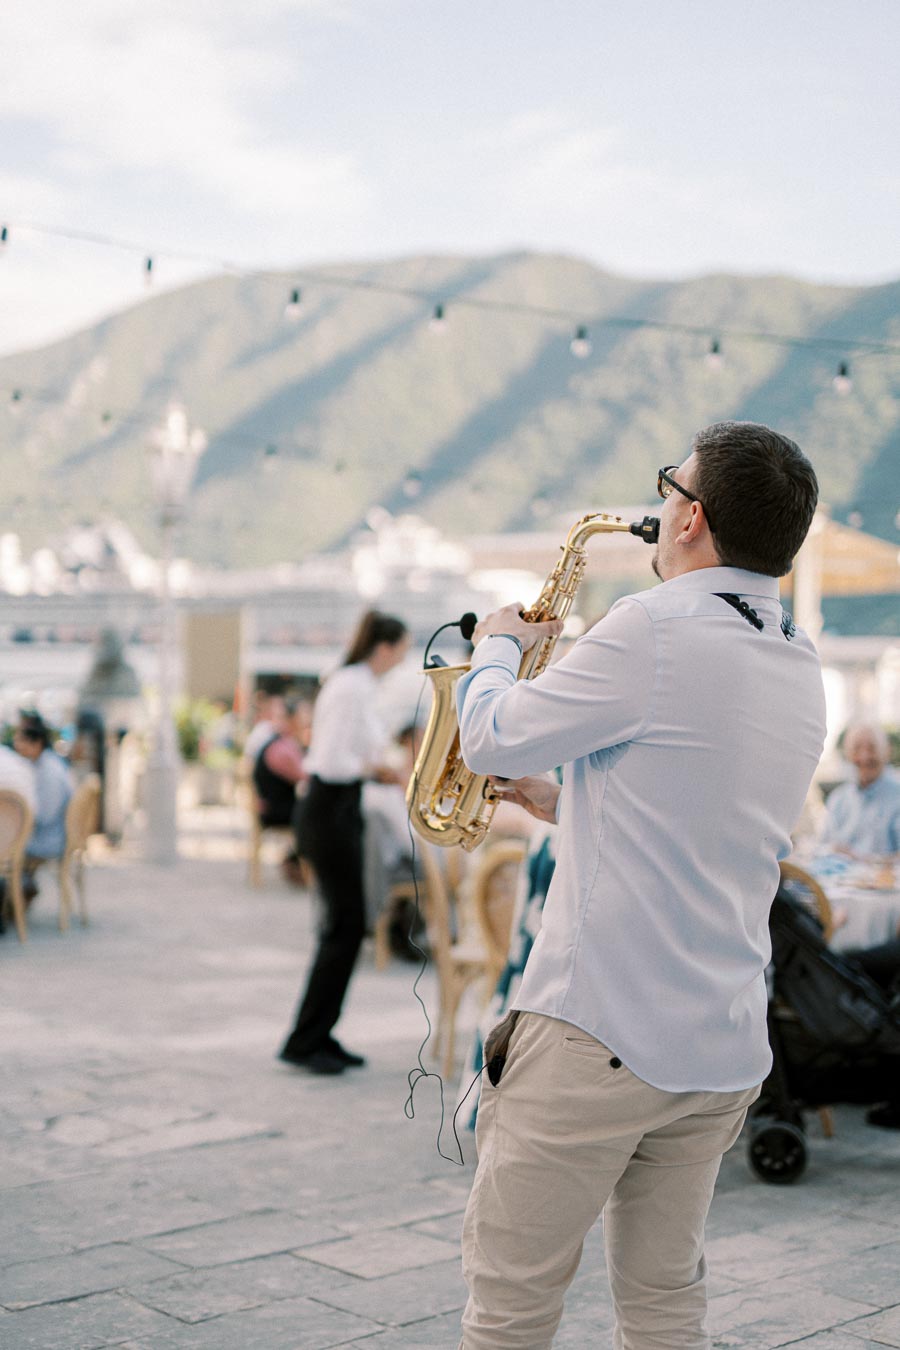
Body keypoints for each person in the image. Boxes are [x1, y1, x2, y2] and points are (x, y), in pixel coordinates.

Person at [454, 421, 826, 1350]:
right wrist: (569, 797)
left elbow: (489, 735)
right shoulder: (798, 655)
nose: (657, 507)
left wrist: (497, 646)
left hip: (598, 1029)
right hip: (719, 1043)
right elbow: (707, 811)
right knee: (664, 1309)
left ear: (693, 518)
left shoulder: (653, 625)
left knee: (509, 1309)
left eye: (668, 488)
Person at [278, 610, 410, 1076]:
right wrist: (378, 770)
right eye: (402, 647)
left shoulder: (354, 683)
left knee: (344, 926)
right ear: (385, 647)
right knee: (345, 926)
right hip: (330, 808)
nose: (404, 657)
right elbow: (334, 760)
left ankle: (318, 1032)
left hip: (335, 808)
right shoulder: (353, 685)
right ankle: (306, 1038)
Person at [13, 712, 74, 901]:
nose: (17, 746)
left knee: (5, 846)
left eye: (21, 741)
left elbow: (43, 815)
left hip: (49, 839)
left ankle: (15, 896)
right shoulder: (47, 764)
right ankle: (18, 894)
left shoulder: (49, 771)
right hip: (52, 833)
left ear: (36, 744)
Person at [819, 722, 900, 861]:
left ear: (887, 751)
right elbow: (823, 847)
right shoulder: (838, 799)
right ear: (848, 754)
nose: (864, 757)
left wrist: (862, 860)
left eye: (872, 748)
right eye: (856, 749)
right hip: (834, 880)